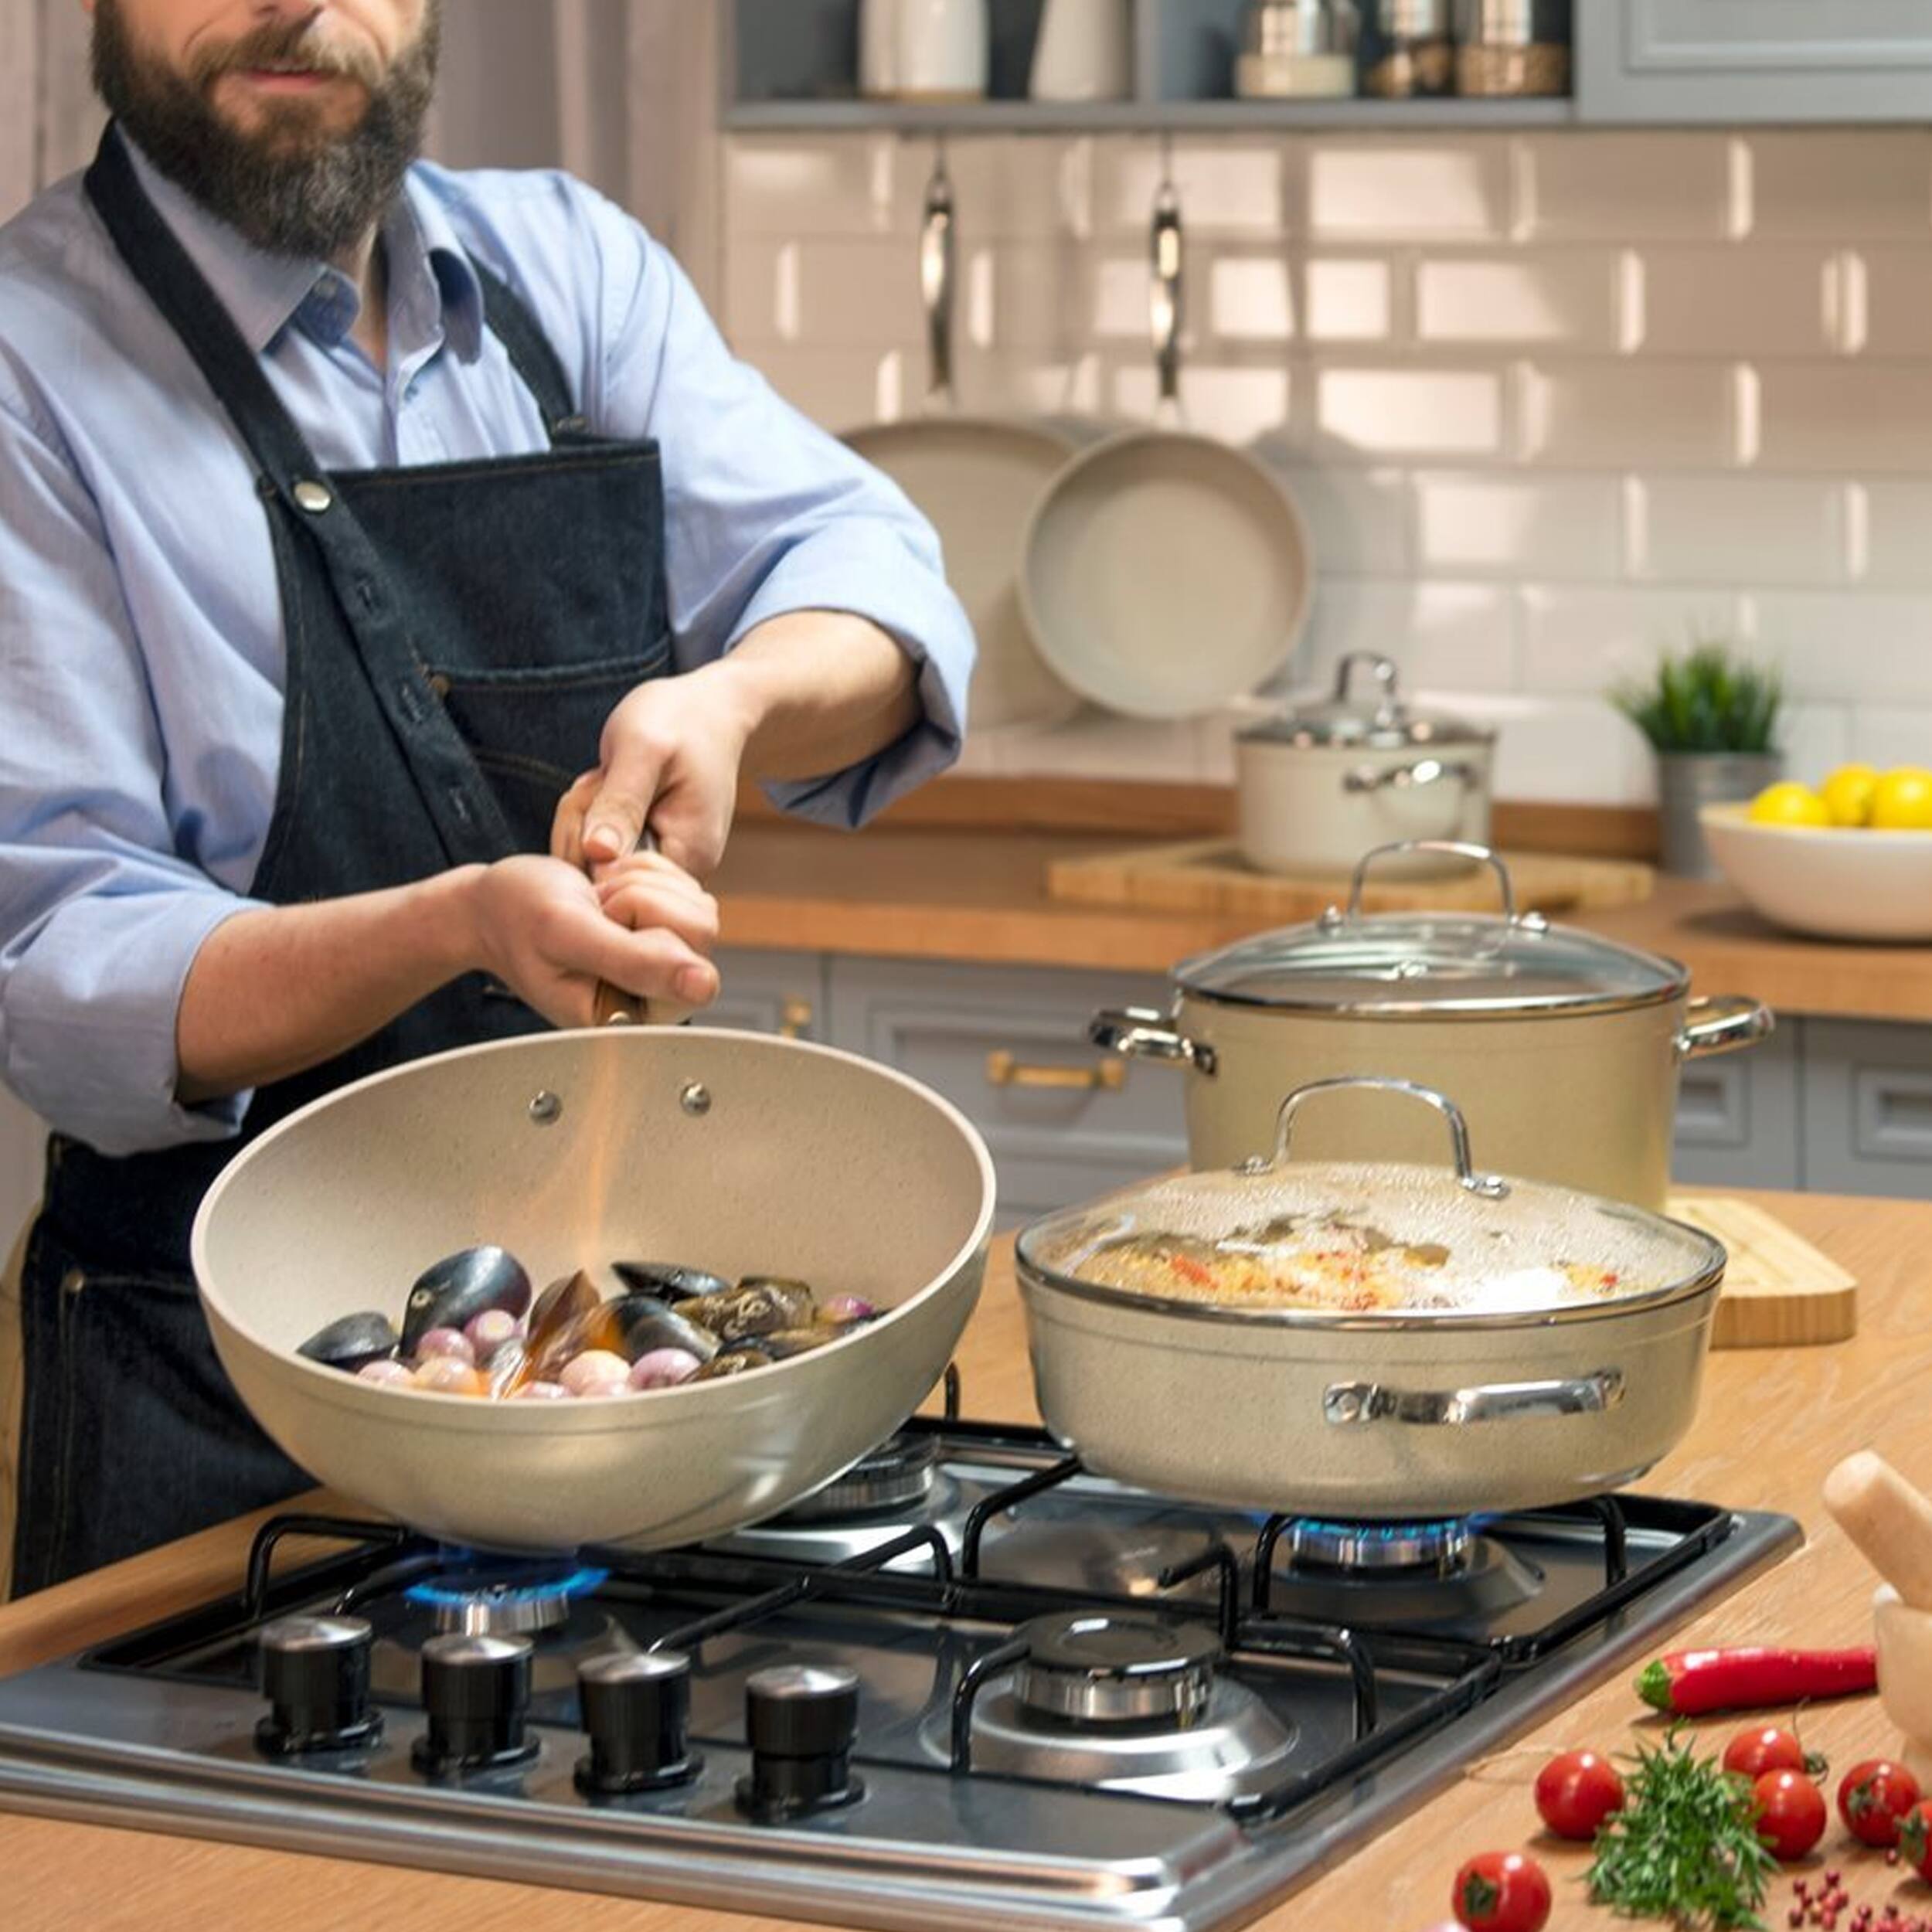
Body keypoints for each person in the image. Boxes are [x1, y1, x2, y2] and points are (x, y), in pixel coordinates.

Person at [0, 0, 974, 1596]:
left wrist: (726, 697)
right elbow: (58, 966)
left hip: (605, 1380)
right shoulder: (27, 363)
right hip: (229, 1403)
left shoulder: (563, 267)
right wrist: (458, 924)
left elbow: (874, 585)